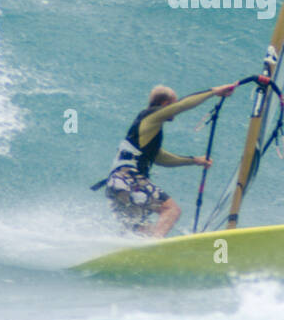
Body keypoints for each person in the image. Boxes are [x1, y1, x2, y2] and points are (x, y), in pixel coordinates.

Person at [101, 82, 236, 237]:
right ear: (165, 104)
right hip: (128, 178)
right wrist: (214, 92)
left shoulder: (147, 130)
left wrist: (194, 160)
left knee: (141, 231)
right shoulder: (150, 116)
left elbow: (161, 158)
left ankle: (134, 252)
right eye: (172, 104)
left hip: (116, 184)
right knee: (171, 210)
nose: (174, 111)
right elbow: (182, 106)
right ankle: (154, 245)